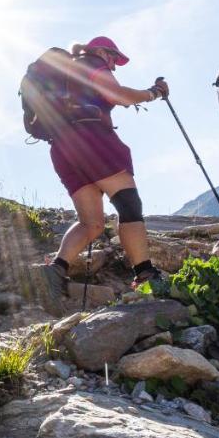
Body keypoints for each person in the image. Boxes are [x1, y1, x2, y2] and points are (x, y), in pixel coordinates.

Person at [41, 37, 169, 297]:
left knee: (91, 223)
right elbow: (119, 95)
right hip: (94, 141)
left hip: (62, 149)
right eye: (113, 57)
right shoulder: (93, 63)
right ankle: (145, 273)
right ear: (101, 51)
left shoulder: (67, 73)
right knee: (128, 205)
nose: (114, 65)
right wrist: (153, 93)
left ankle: (55, 271)